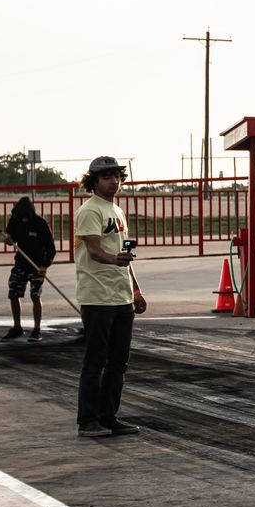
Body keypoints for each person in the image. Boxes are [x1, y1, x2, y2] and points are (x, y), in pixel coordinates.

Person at [72, 157, 146, 438]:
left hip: (121, 296)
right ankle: (87, 421)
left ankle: (108, 417)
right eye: (106, 177)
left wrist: (135, 290)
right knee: (95, 361)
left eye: (117, 176)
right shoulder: (90, 210)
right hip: (97, 297)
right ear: (93, 182)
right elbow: (93, 251)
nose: (114, 181)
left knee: (118, 362)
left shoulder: (117, 210)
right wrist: (116, 260)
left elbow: (124, 256)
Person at [3, 196, 56, 342]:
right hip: (21, 263)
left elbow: (51, 249)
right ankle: (17, 327)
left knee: (35, 295)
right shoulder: (15, 219)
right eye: (22, 218)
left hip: (37, 265)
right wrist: (8, 239)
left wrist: (45, 266)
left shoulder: (41, 224)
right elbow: (10, 237)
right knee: (13, 293)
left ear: (31, 214)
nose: (24, 220)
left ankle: (36, 330)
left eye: (26, 218)